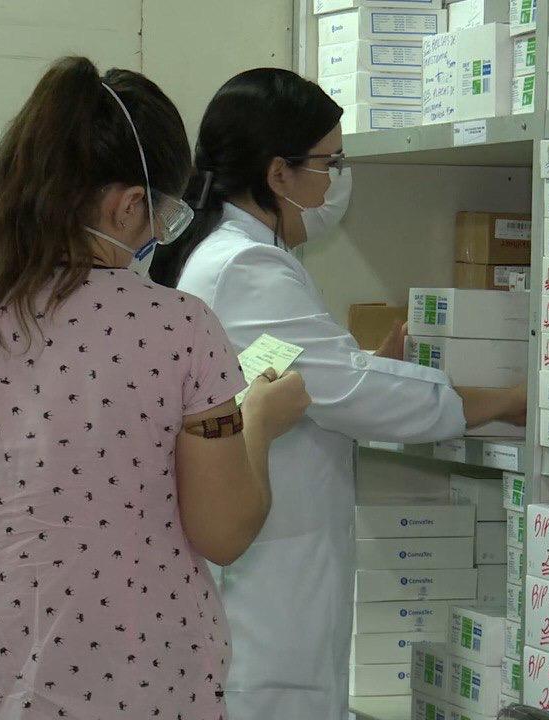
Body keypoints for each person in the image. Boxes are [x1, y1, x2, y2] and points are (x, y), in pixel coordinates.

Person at [0, 57, 309, 720]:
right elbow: (222, 531)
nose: (161, 232)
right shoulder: (179, 328)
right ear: (127, 204)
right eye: (164, 212)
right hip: (139, 690)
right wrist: (259, 423)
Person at [151, 68, 527, 720]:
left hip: (267, 576)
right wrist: (508, 399)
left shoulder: (229, 254)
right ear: (279, 174)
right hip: (263, 591)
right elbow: (343, 391)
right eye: (331, 163)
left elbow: (289, 371)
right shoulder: (246, 266)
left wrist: (366, 371)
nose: (337, 181)